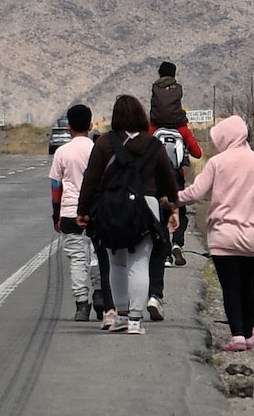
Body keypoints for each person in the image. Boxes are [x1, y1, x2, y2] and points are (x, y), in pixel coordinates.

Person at [77, 95, 180, 335]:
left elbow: (91, 180)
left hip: (112, 208)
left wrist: (83, 211)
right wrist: (173, 207)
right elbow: (169, 180)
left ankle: (120, 315)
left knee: (117, 263)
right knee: (139, 263)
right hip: (146, 207)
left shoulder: (104, 143)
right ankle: (135, 319)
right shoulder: (153, 145)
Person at [176, 115, 254, 351]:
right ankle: (247, 332)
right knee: (247, 285)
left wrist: (173, 199)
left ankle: (237, 336)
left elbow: (195, 193)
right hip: (252, 236)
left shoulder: (217, 163)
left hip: (224, 235)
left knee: (230, 286)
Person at [146, 61, 204, 321]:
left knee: (160, 212)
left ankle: (166, 249)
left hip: (156, 179)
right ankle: (179, 242)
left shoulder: (152, 126)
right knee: (179, 209)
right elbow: (198, 152)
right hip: (177, 177)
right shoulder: (181, 126)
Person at [49, 104, 106, 322]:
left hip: (70, 212)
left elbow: (56, 187)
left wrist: (57, 215)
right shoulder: (98, 149)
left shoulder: (62, 152)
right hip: (95, 212)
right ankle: (100, 294)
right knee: (97, 256)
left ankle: (82, 304)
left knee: (77, 259)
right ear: (91, 125)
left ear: (69, 127)